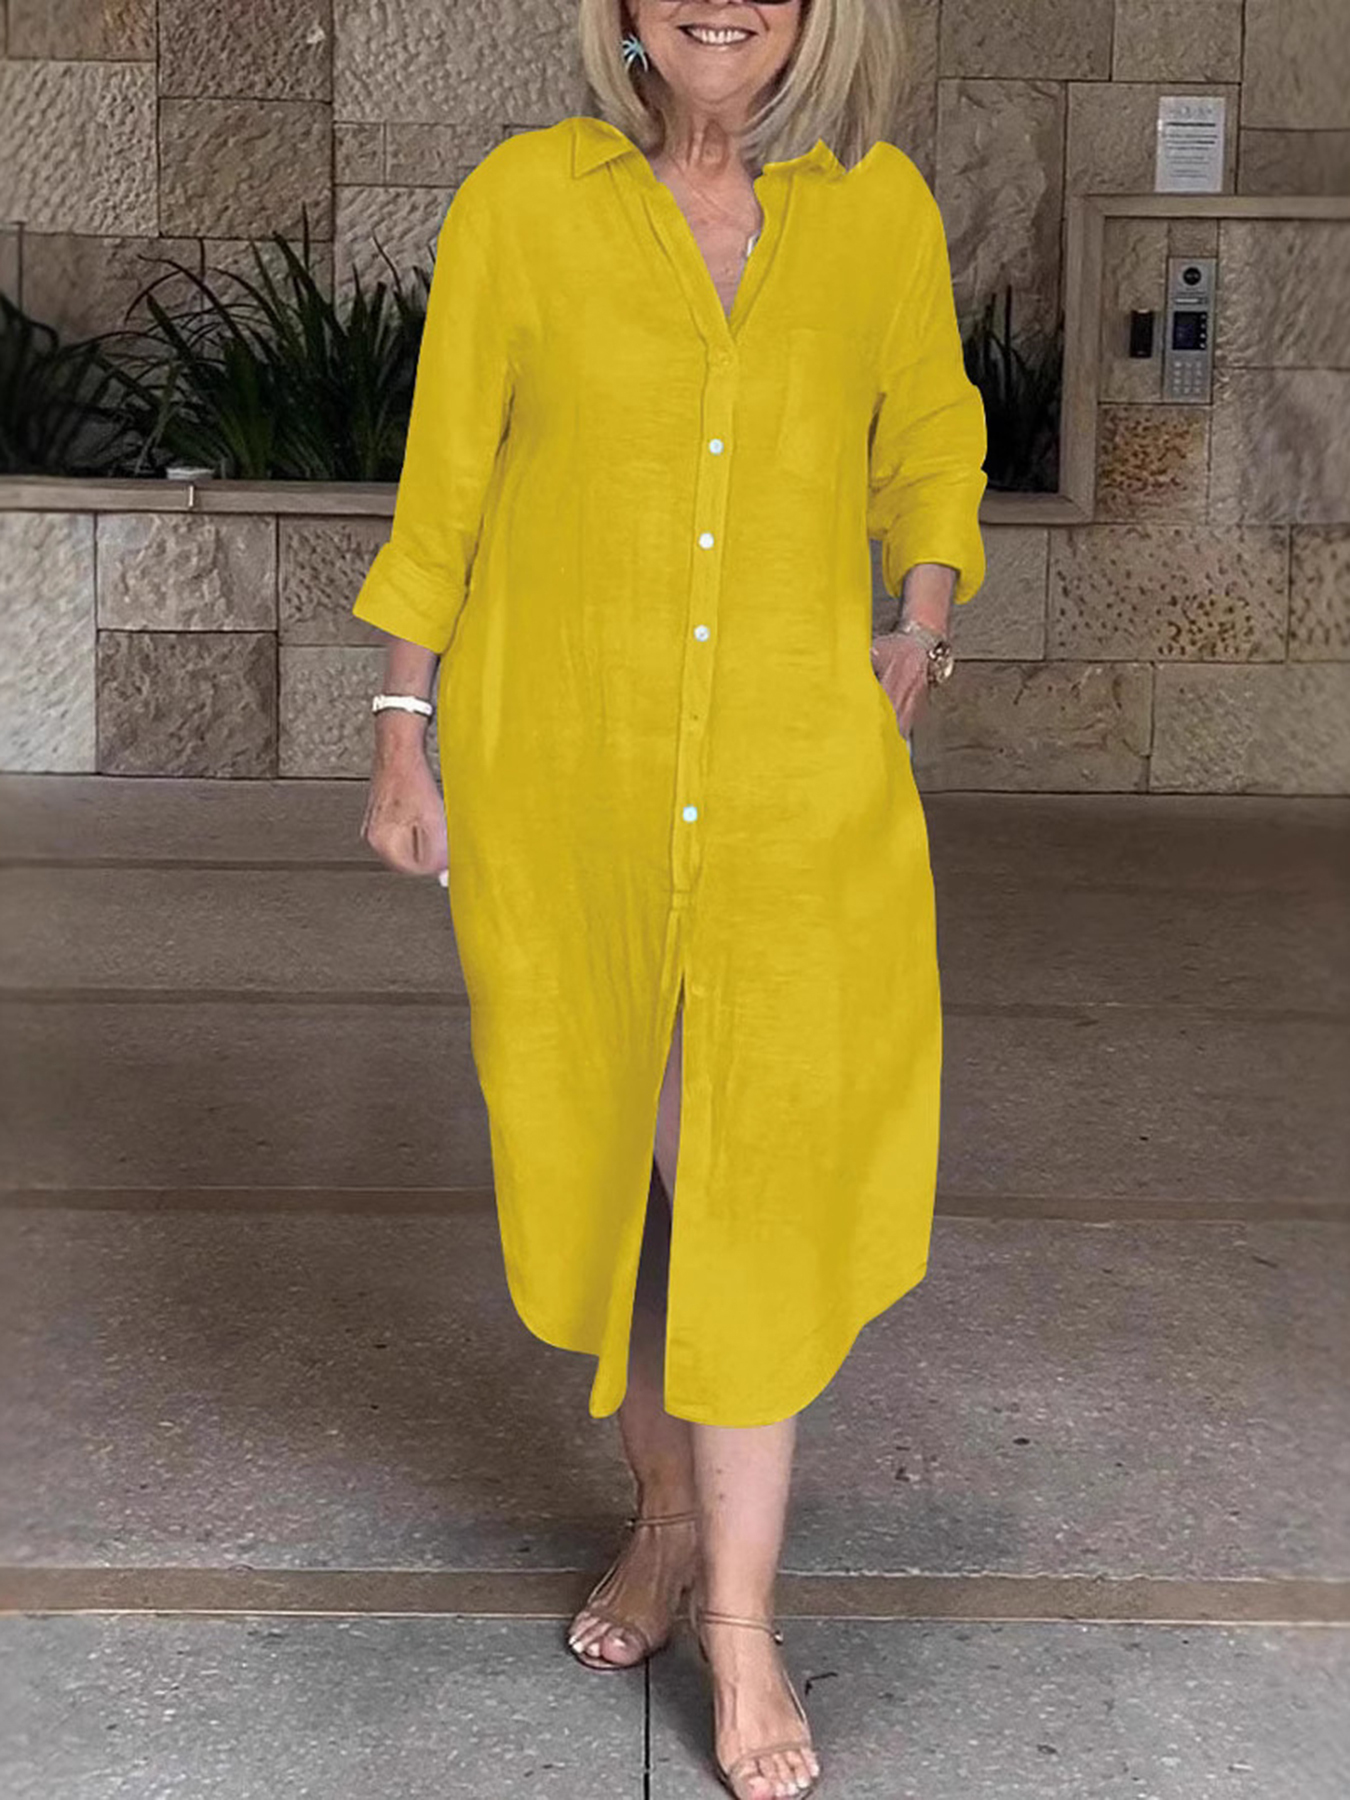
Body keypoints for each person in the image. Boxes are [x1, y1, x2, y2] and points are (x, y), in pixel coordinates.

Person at [353, 3, 987, 1794]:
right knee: (631, 1199)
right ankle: (661, 1521)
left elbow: (931, 434)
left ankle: (740, 1620)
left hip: (794, 795)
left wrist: (920, 617)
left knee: (741, 1187)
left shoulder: (876, 208)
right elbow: (446, 481)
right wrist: (401, 734)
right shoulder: (524, 202)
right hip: (569, 783)